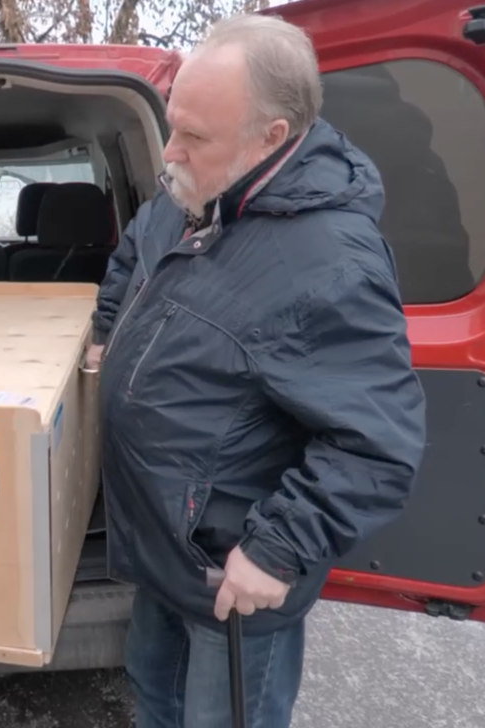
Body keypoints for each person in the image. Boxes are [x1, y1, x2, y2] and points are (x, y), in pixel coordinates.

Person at [89, 14, 427, 727]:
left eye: (194, 136)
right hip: (162, 549)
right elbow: (134, 254)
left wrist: (276, 551)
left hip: (228, 574)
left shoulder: (332, 262)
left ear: (271, 137)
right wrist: (105, 330)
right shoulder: (194, 191)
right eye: (172, 126)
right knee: (154, 698)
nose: (169, 154)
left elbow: (377, 443)